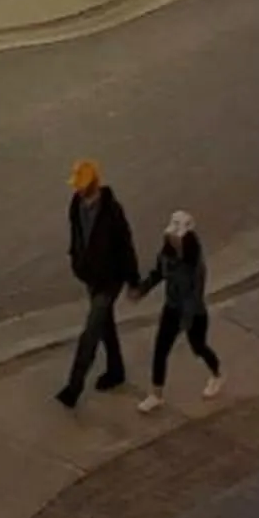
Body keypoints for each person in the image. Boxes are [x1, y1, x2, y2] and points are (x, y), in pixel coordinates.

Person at [56, 158, 139, 407]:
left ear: (93, 184)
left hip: (109, 280)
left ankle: (73, 388)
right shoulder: (76, 205)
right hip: (90, 276)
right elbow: (77, 235)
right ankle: (116, 370)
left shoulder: (112, 212)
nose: (77, 190)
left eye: (81, 186)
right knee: (105, 325)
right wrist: (76, 260)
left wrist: (133, 281)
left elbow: (126, 246)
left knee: (91, 332)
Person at [135, 209, 221, 412]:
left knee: (198, 347)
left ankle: (217, 374)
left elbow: (195, 295)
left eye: (177, 237)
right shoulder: (166, 254)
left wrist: (186, 322)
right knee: (160, 350)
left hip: (193, 313)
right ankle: (156, 394)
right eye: (171, 236)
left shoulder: (196, 265)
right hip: (171, 307)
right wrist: (142, 288)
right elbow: (158, 273)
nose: (173, 240)